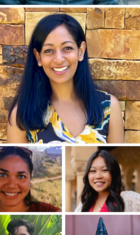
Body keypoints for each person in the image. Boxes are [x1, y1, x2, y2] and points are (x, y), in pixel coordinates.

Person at [7, 14, 124, 145]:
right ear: (38, 57)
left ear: (80, 51)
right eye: (49, 50)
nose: (59, 59)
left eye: (67, 48)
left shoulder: (109, 107)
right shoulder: (23, 113)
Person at [0, 146, 62, 213]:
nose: (11, 185)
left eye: (21, 176)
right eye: (2, 175)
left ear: (30, 180)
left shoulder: (48, 212)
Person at [74, 150, 140, 213]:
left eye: (104, 170)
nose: (98, 176)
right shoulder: (83, 206)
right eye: (93, 171)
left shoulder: (130, 199)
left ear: (113, 173)